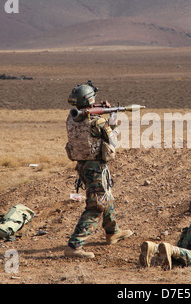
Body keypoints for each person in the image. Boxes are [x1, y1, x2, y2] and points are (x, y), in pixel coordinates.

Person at [64, 81, 133, 258]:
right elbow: (113, 141)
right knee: (96, 206)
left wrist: (100, 109)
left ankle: (112, 232)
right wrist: (113, 121)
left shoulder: (71, 119)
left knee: (106, 197)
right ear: (90, 100)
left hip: (83, 166)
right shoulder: (97, 122)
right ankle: (74, 246)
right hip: (95, 167)